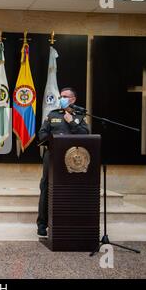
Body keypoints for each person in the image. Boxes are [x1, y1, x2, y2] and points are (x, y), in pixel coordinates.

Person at [36, 87, 89, 237]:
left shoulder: (79, 115)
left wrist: (72, 122)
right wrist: (54, 139)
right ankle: (42, 225)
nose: (61, 99)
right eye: (60, 96)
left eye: (65, 96)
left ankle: (69, 222)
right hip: (52, 156)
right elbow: (42, 134)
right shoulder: (52, 115)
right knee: (46, 187)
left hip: (73, 159)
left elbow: (85, 134)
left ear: (73, 99)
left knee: (70, 189)